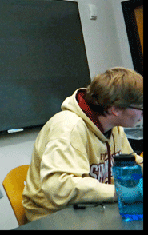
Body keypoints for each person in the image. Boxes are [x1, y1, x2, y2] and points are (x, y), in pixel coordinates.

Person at [22, 67, 143, 223]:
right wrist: (123, 192)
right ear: (115, 109)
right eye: (140, 108)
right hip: (53, 217)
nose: (142, 115)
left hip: (90, 208)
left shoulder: (114, 128)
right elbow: (59, 188)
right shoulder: (69, 127)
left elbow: (130, 162)